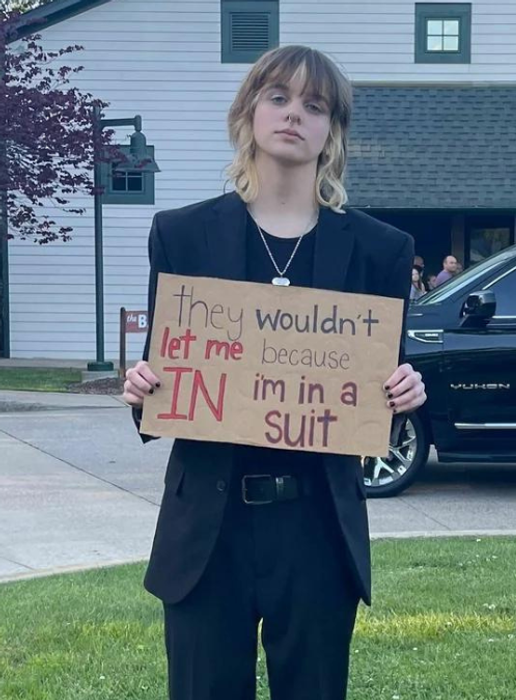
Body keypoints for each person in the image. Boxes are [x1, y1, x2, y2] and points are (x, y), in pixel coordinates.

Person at [121, 45, 425, 700]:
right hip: (208, 528)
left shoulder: (379, 249)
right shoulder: (182, 234)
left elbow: (377, 378)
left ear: (332, 130)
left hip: (317, 528)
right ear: (249, 112)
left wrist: (403, 390)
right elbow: (169, 374)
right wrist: (143, 387)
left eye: (314, 105)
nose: (294, 115)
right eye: (278, 97)